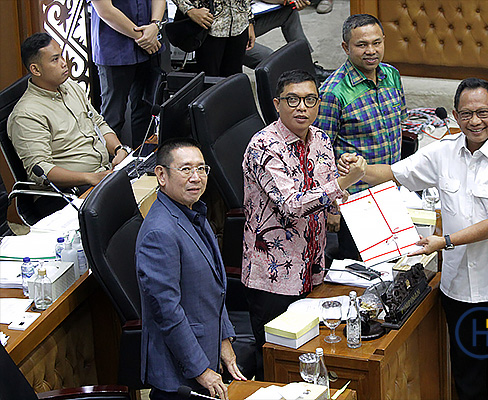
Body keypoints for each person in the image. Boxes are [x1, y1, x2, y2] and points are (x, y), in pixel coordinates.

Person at [339, 78, 488, 400]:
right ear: (456, 117)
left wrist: (444, 242)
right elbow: (393, 173)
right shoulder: (443, 152)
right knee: (467, 375)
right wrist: (359, 169)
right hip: (460, 289)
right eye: (466, 114)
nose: (475, 121)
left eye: (483, 113)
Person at [241, 70, 366, 379]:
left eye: (310, 100)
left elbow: (327, 196)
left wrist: (345, 181)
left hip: (313, 269)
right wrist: (342, 183)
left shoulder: (321, 140)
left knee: (311, 358)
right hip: (273, 278)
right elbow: (292, 204)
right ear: (277, 104)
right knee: (276, 365)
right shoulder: (263, 147)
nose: (302, 108)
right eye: (292, 100)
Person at [136, 138, 246, 400]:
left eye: (202, 169)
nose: (196, 177)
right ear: (161, 175)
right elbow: (167, 312)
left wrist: (224, 340)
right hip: (180, 376)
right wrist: (201, 369)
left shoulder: (192, 210)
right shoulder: (159, 233)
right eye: (186, 169)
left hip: (207, 350)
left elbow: (213, 288)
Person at [314, 13, 408, 259]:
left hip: (392, 190)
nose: (371, 51)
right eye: (361, 45)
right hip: (357, 202)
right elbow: (320, 155)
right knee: (364, 272)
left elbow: (400, 122)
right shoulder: (333, 93)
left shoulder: (392, 76)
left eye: (377, 43)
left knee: (396, 264)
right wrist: (333, 205)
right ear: (346, 47)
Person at [7, 32, 129, 189]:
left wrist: (119, 149)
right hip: (68, 191)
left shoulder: (71, 87)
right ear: (36, 70)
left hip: (103, 174)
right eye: (55, 59)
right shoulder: (26, 114)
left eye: (61, 56)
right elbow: (40, 169)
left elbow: (98, 123)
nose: (64, 63)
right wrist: (90, 178)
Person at [89, 0, 165, 149]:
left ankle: (142, 161)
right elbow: (105, 11)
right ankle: (110, 166)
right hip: (114, 47)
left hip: (150, 43)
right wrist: (143, 37)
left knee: (147, 110)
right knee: (113, 116)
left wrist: (156, 25)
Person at [244, 1, 332, 82]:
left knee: (289, 12)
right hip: (233, 36)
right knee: (272, 60)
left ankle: (308, 67)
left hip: (246, 24)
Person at [171, 0, 255, 77]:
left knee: (234, 79)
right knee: (209, 80)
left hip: (239, 24)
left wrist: (249, 20)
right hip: (208, 26)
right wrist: (190, 10)